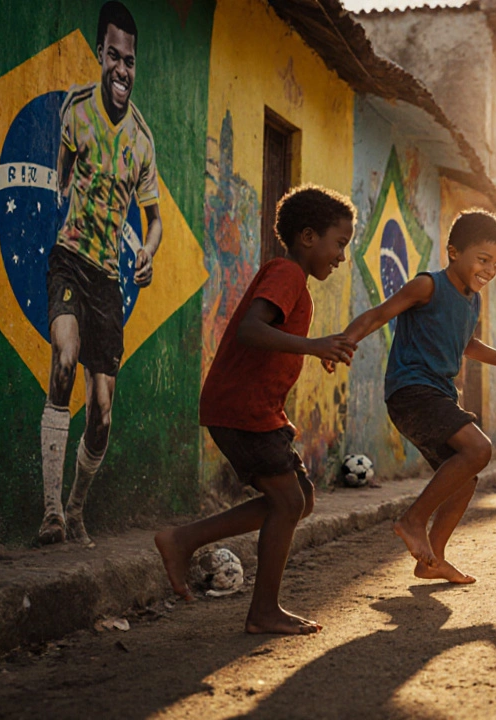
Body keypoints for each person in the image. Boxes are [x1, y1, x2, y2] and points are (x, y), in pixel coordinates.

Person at [155, 185, 357, 635]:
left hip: (251, 408)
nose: (341, 257)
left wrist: (312, 347)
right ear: (308, 237)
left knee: (298, 501)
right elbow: (250, 329)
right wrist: (311, 345)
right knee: (288, 502)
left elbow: (267, 332)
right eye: (339, 244)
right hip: (242, 407)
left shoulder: (290, 278)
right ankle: (263, 611)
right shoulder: (286, 272)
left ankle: (183, 540)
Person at [341, 210, 496, 584]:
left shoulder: (471, 301)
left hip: (437, 393)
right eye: (483, 260)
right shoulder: (427, 286)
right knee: (479, 449)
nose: (490, 270)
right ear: (453, 252)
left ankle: (431, 560)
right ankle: (413, 520)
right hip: (412, 389)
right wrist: (344, 342)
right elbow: (379, 314)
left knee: (465, 480)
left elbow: (467, 344)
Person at [39, 1, 162, 545]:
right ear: (99, 55)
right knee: (63, 359)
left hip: (108, 280)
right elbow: (63, 175)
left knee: (104, 411)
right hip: (69, 259)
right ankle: (50, 514)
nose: (121, 69)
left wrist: (150, 251)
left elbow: (153, 218)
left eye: (129, 60)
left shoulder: (142, 139)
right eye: (113, 56)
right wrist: (68, 198)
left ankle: (77, 506)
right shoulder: (75, 111)